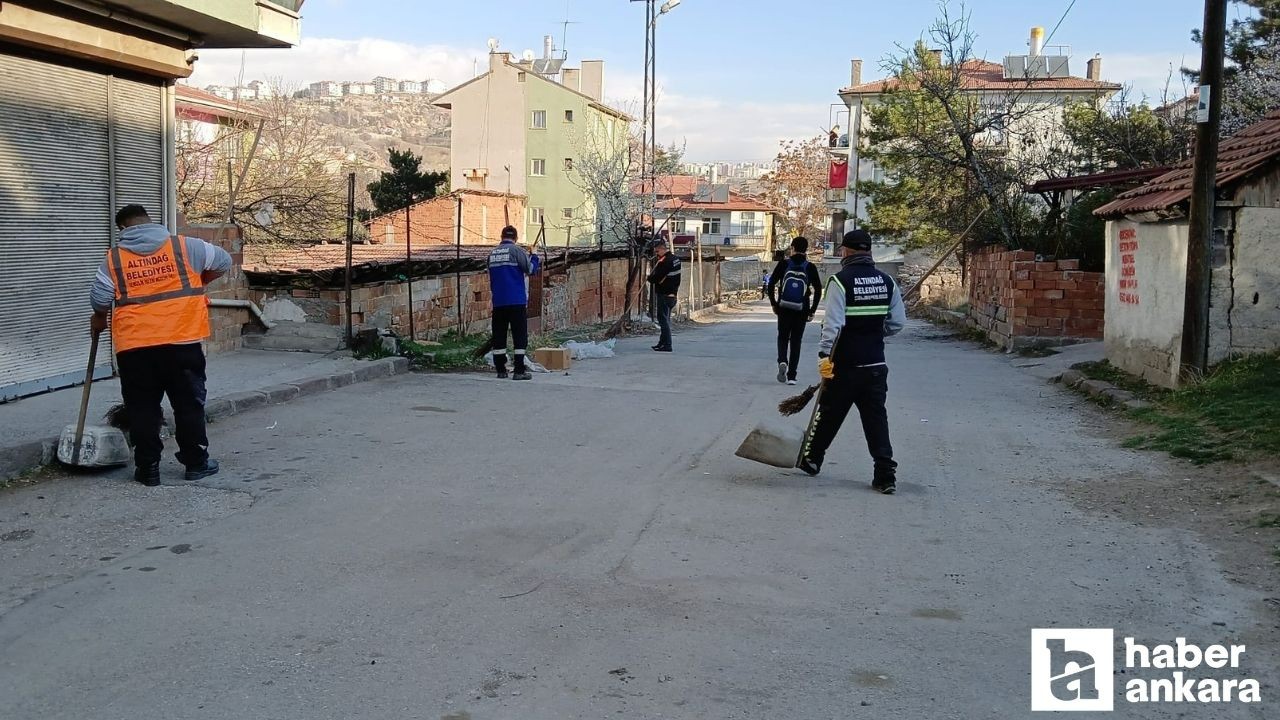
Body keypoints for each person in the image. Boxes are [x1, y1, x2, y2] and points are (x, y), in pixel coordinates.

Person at [89, 205, 231, 486]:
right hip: (182, 342)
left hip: (135, 347)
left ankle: (148, 469)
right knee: (189, 405)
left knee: (142, 408)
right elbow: (224, 261)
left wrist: (98, 318)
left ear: (123, 229)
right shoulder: (187, 247)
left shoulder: (114, 259)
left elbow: (100, 298)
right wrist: (202, 279)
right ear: (150, 221)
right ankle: (196, 464)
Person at [798, 229, 906, 495]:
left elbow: (833, 326)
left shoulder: (840, 281)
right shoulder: (887, 281)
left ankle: (812, 459)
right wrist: (875, 333)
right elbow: (897, 323)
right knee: (876, 420)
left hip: (845, 365)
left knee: (829, 413)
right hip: (875, 366)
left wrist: (824, 356)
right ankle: (885, 475)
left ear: (845, 251)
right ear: (869, 251)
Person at [767, 236, 822, 385]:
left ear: (792, 248)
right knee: (796, 341)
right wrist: (812, 310)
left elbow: (771, 284)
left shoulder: (784, 264)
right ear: (806, 249)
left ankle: (782, 361)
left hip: (784, 307)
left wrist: (774, 303)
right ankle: (792, 376)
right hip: (801, 309)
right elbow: (818, 290)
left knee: (783, 337)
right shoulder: (810, 267)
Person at [487, 225, 540, 380]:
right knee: (519, 335)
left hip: (498, 302)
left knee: (499, 336)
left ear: (501, 237)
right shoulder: (517, 251)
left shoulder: (492, 254)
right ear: (515, 238)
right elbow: (530, 269)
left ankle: (501, 370)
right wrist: (534, 256)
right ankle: (519, 370)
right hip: (516, 301)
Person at [647, 237, 681, 352]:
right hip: (673, 294)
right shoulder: (675, 259)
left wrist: (649, 278)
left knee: (663, 320)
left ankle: (667, 344)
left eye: (657, 252)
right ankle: (662, 343)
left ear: (662, 249)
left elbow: (656, 278)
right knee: (665, 320)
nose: (656, 254)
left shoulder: (665, 262)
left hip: (664, 294)